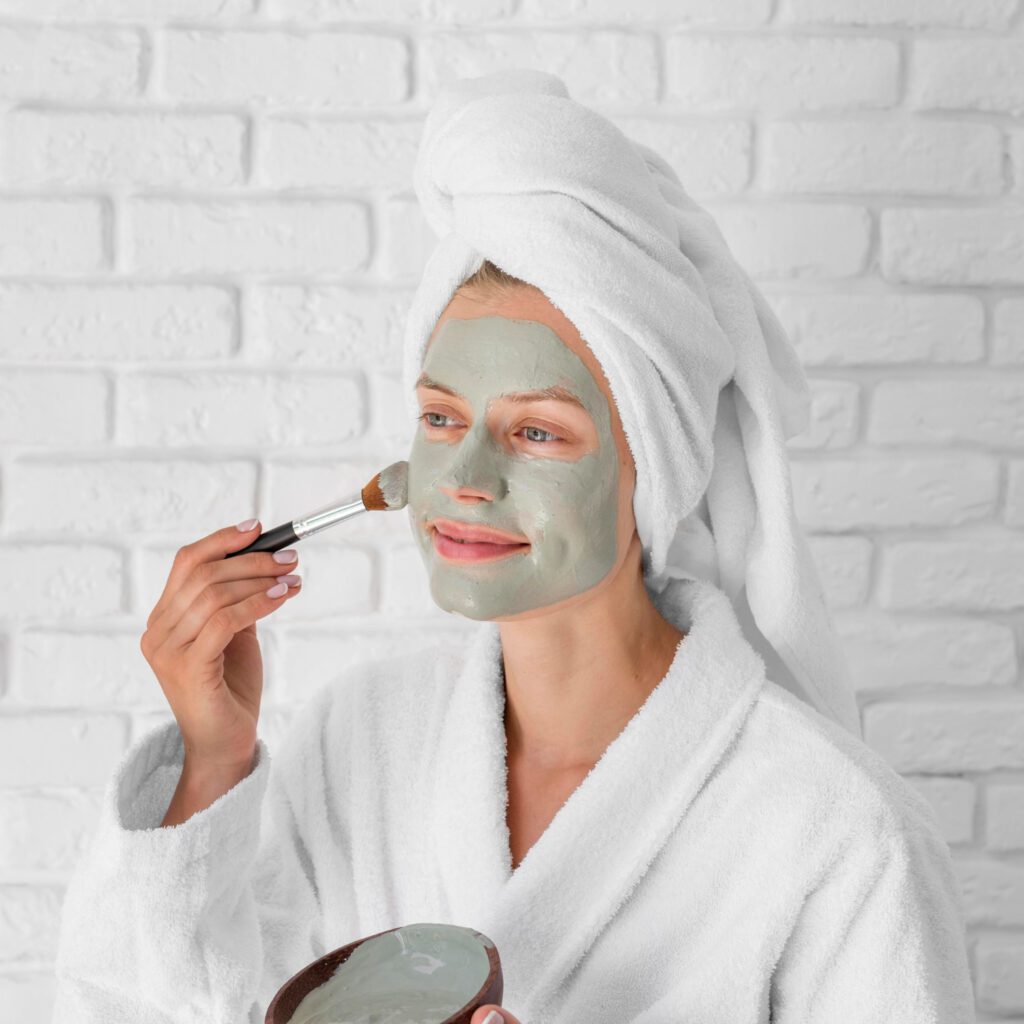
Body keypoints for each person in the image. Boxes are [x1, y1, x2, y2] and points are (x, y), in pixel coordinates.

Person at [51, 70, 977, 1024]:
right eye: (443, 417)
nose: (467, 478)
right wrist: (210, 759)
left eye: (537, 431)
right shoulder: (358, 743)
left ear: (647, 465)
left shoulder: (838, 832)